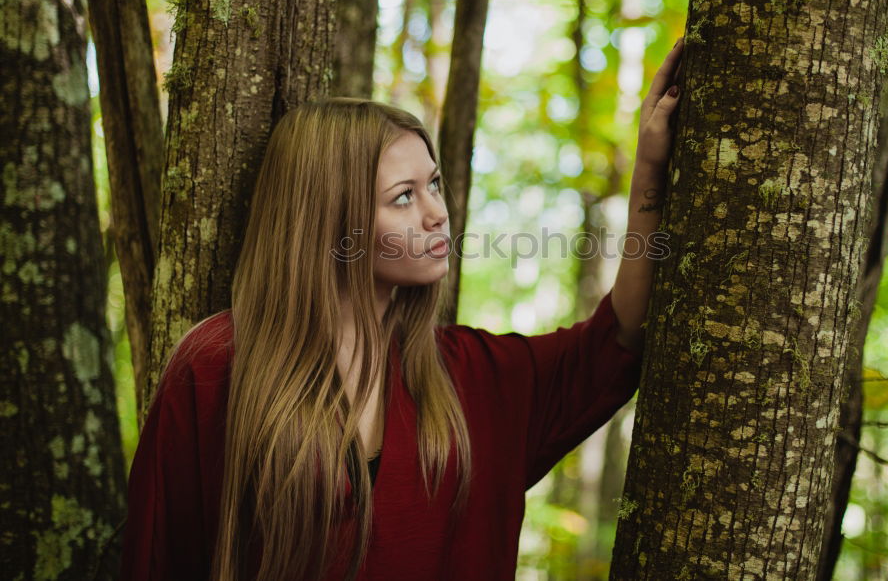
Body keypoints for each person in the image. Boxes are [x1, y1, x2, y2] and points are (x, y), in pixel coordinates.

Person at [120, 39, 684, 581]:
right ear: (331, 219)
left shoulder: (471, 376)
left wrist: (650, 175)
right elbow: (159, 557)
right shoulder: (220, 364)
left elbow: (619, 337)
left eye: (434, 184)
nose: (438, 212)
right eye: (405, 196)